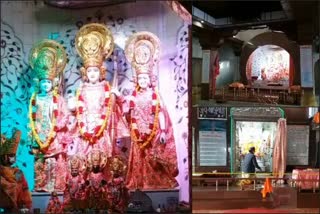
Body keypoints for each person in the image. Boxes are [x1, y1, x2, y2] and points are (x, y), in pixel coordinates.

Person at [124, 31, 179, 190]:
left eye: (145, 78)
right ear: (137, 80)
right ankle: (139, 182)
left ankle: (156, 182)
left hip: (153, 132)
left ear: (150, 79)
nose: (142, 81)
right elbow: (128, 114)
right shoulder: (132, 96)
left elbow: (160, 112)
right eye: (140, 78)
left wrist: (162, 131)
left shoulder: (155, 95)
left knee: (153, 158)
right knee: (139, 158)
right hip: (137, 133)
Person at [67, 23, 129, 158]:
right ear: (85, 73)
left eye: (95, 70)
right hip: (85, 130)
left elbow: (117, 108)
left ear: (101, 71)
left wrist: (116, 96)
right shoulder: (81, 89)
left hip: (103, 129)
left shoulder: (106, 88)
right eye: (90, 71)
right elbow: (75, 109)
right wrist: (72, 104)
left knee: (104, 159)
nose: (93, 74)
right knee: (85, 160)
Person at [28, 39, 68, 192]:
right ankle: (40, 186)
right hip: (39, 135)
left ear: (53, 83)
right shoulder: (35, 98)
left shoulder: (57, 99)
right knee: (39, 162)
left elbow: (63, 116)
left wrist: (57, 126)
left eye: (48, 83)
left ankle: (54, 186)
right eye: (43, 82)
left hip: (53, 135)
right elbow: (30, 120)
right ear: (39, 83)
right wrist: (32, 136)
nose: (46, 85)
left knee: (52, 162)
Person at [0, 129, 32, 213]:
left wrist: (24, 206)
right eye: (10, 155)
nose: (13, 158)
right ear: (4, 157)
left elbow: (23, 188)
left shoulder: (17, 172)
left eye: (13, 155)